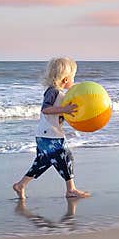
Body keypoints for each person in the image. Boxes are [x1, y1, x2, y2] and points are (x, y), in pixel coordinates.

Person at [12, 57, 91, 200]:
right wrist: (65, 109)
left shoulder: (58, 93)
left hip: (45, 134)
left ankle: (21, 185)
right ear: (65, 79)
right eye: (73, 77)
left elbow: (58, 114)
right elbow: (46, 109)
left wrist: (69, 114)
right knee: (66, 158)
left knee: (42, 163)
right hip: (50, 135)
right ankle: (71, 189)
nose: (74, 80)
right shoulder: (53, 92)